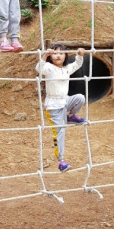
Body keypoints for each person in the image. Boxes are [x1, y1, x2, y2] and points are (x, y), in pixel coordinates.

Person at [35, 44, 86, 173]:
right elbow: (39, 68)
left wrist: (80, 55)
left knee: (80, 98)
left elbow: (77, 65)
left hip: (65, 101)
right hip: (53, 106)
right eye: (55, 53)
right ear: (51, 56)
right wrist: (44, 55)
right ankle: (61, 161)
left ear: (65, 56)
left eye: (61, 53)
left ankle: (71, 116)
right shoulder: (49, 68)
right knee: (60, 132)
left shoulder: (66, 69)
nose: (58, 55)